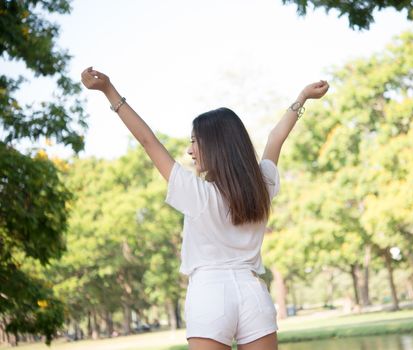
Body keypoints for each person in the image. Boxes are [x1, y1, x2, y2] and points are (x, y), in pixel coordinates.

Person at [81, 67, 329, 350]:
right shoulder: (262, 185)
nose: (190, 150)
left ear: (215, 146)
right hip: (254, 295)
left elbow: (148, 141)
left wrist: (108, 90)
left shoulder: (197, 194)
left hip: (210, 295)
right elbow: (275, 138)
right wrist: (303, 97)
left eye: (194, 141)